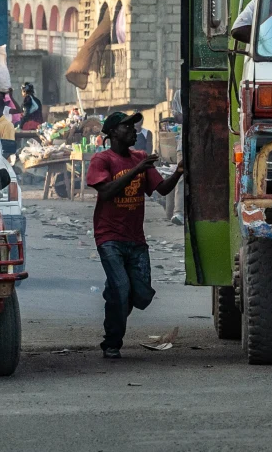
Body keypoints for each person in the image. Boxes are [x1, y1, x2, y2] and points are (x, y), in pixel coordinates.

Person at [87, 111, 184, 359]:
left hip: (135, 239)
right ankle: (112, 342)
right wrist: (136, 170)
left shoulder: (140, 157)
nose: (133, 129)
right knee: (121, 288)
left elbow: (161, 190)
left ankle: (114, 299)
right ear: (112, 133)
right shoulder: (102, 160)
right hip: (108, 237)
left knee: (139, 295)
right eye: (127, 126)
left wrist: (178, 172)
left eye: (133, 125)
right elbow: (106, 191)